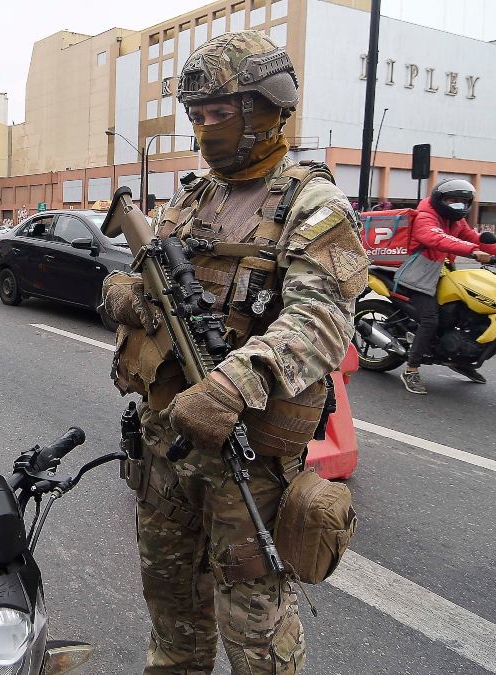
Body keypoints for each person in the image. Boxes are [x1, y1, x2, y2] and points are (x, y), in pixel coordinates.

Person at [101, 31, 368, 674]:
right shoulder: (194, 197)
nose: (205, 128)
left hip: (243, 453)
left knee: (257, 635)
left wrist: (233, 384)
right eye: (195, 116)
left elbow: (323, 317)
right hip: (165, 444)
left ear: (267, 108)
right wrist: (126, 298)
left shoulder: (311, 200)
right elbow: (143, 280)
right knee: (173, 621)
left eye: (220, 112)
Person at [394, 179, 496, 394]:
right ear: (440, 200)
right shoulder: (426, 217)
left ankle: (460, 360)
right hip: (418, 277)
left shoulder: (456, 222)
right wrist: (471, 251)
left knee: (460, 315)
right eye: (454, 200)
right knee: (431, 319)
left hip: (442, 275)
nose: (458, 205)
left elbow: (477, 239)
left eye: (463, 201)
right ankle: (411, 369)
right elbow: (435, 238)